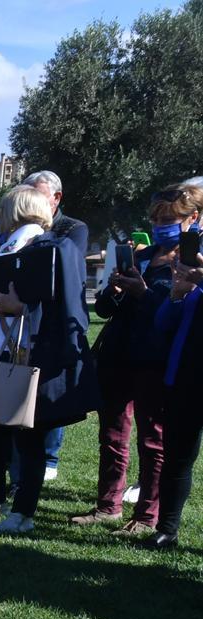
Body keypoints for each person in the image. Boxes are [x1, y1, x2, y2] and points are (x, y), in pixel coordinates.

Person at [0, 185, 96, 534]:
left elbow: (68, 309)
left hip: (33, 355)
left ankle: (23, 514)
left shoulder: (55, 248)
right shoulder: (0, 250)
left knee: (29, 437)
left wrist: (21, 308)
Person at [71, 186, 199, 534]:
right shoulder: (142, 256)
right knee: (112, 434)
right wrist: (113, 291)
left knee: (152, 440)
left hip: (155, 361)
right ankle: (108, 505)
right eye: (156, 219)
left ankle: (147, 516)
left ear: (193, 219)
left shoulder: (192, 265)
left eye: (169, 220)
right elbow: (105, 310)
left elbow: (176, 314)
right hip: (118, 355)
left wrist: (143, 293)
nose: (160, 226)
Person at [23, 170, 89, 482]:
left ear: (55, 198)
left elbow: (64, 274)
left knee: (51, 397)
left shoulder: (71, 230)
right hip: (25, 327)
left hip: (53, 326)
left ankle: (49, 458)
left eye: (36, 195)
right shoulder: (20, 233)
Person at [145, 193, 203, 549]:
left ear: (194, 217)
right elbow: (163, 324)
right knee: (178, 454)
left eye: (173, 217)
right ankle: (167, 528)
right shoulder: (181, 261)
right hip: (185, 372)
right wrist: (178, 294)